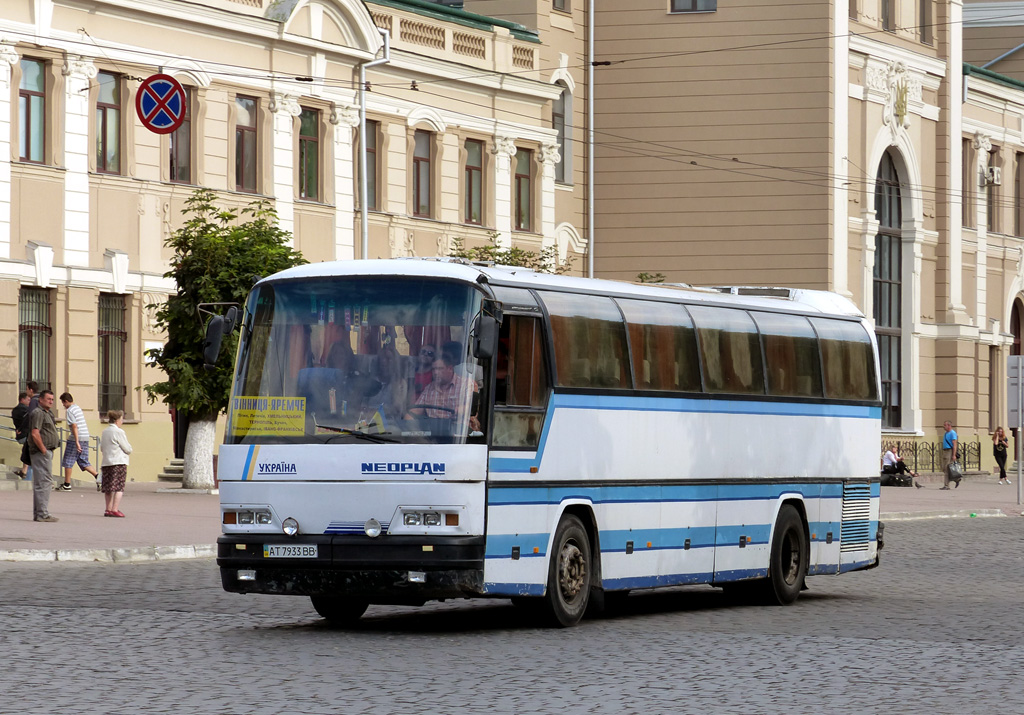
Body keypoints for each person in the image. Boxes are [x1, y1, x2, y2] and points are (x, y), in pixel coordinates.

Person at [407, 343, 479, 433]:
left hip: (460, 435)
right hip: (433, 436)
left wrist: (459, 409)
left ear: (450, 368)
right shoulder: (429, 388)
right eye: (433, 369)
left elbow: (471, 408)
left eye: (440, 369)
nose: (436, 372)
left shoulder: (467, 384)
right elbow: (415, 411)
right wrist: (407, 420)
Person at [27, 390, 60, 522]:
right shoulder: (38, 413)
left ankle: (39, 513)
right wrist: (44, 450)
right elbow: (35, 433)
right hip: (41, 453)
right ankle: (42, 514)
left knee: (42, 482)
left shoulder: (46, 413)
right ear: (40, 399)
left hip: (45, 452)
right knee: (44, 482)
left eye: (52, 399)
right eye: (48, 399)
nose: (51, 401)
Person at [57, 392, 99, 491]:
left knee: (68, 460)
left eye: (63, 403)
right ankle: (99, 477)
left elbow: (74, 426)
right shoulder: (78, 408)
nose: (63, 405)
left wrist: (76, 441)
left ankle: (67, 484)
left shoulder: (70, 411)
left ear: (66, 401)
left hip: (77, 438)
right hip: (85, 436)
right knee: (83, 460)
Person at [99, 410, 132, 517]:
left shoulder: (105, 431)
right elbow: (127, 448)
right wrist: (130, 449)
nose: (122, 421)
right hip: (118, 462)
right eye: (121, 419)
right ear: (117, 420)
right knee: (119, 487)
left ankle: (107, 509)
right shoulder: (119, 432)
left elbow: (102, 447)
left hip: (107, 462)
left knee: (108, 487)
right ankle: (115, 509)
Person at [18, 381, 39, 481]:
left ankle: (28, 477)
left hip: (34, 431)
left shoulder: (34, 401)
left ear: (31, 390)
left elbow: (29, 416)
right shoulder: (41, 399)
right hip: (40, 431)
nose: (26, 392)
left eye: (27, 389)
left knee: (30, 453)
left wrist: (21, 429)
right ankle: (26, 474)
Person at [11, 392, 30, 478]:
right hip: (26, 434)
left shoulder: (14, 410)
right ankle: (24, 471)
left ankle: (24, 471)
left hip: (20, 435)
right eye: (28, 399)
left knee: (27, 450)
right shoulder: (26, 410)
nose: (29, 401)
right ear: (22, 399)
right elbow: (27, 421)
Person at [940, 420, 960, 490]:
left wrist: (953, 455)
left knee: (947, 468)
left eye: (945, 425)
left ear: (949, 426)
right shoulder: (946, 433)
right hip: (945, 451)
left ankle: (946, 485)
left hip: (949, 451)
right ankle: (956, 479)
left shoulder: (952, 433)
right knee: (945, 468)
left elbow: (954, 445)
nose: (944, 426)